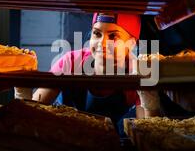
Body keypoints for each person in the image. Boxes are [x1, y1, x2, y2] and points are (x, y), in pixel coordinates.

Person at [15, 12, 161, 136]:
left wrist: (150, 102)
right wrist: (23, 96)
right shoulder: (71, 62)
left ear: (131, 44)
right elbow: (31, 115)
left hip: (107, 147)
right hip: (63, 141)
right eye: (96, 34)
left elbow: (147, 133)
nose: (101, 43)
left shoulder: (137, 73)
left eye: (113, 37)